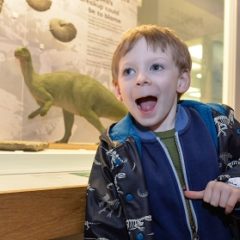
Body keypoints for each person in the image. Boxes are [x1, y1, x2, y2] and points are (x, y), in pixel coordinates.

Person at [84, 24, 240, 239]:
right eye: (129, 71)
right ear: (118, 90)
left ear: (181, 80)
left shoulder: (217, 121)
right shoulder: (113, 149)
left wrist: (233, 185)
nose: (141, 78)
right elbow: (102, 228)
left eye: (156, 67)